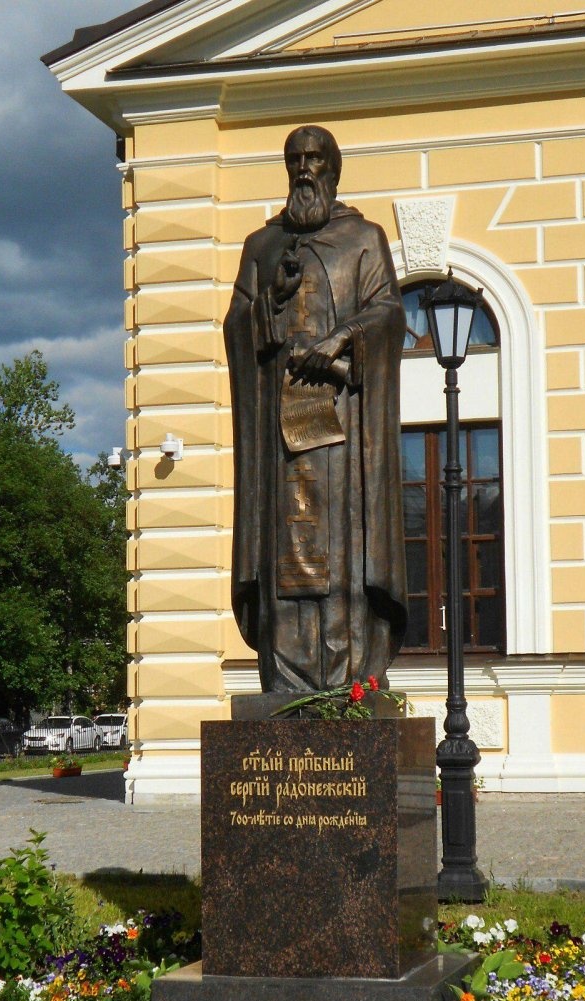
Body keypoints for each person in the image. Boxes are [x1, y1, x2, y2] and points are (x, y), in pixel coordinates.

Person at [225, 125, 407, 693]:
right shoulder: (262, 246)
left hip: (342, 439)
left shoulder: (363, 240)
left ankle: (347, 679)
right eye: (295, 160)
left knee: (340, 550)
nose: (305, 170)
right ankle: (285, 680)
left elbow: (389, 314)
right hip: (280, 442)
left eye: (315, 160)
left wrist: (341, 339)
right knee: (285, 549)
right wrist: (272, 300)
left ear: (334, 169)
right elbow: (236, 324)